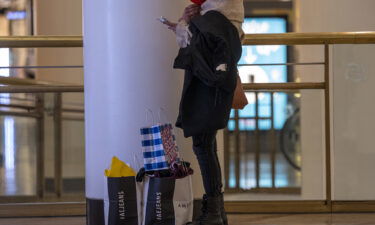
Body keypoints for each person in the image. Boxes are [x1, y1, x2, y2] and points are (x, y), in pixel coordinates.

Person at [164, 1, 244, 224]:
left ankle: (213, 213)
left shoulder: (214, 22)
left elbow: (193, 50)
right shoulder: (224, 21)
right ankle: (216, 211)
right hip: (214, 87)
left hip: (209, 88)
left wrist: (184, 26)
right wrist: (187, 23)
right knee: (206, 144)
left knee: (203, 143)